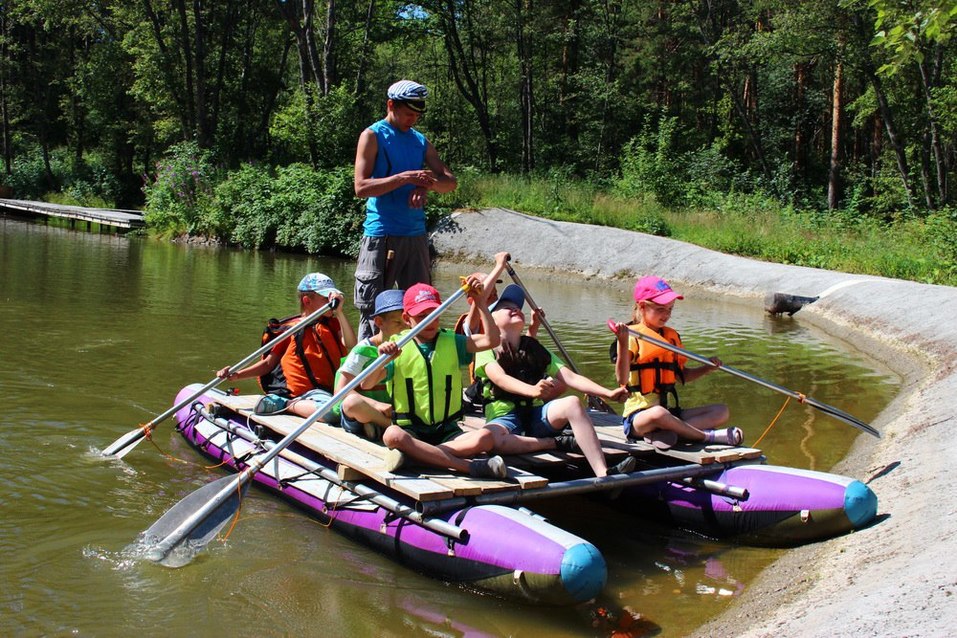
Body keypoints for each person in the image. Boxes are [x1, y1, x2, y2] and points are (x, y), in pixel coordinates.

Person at [476, 284, 636, 477]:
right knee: (492, 440)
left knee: (572, 403)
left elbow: (569, 377)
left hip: (535, 415)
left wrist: (608, 393)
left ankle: (603, 473)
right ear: (491, 320)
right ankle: (556, 442)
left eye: (517, 306)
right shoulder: (485, 349)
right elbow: (500, 379)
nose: (515, 308)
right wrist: (533, 390)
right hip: (505, 418)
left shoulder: (534, 348)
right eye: (506, 306)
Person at [365, 278, 507, 479]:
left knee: (485, 437)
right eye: (422, 316)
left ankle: (418, 456)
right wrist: (381, 359)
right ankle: (468, 467)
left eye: (434, 315)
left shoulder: (453, 342)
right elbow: (367, 383)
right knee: (392, 435)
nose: (430, 321)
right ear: (407, 318)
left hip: (447, 431)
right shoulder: (396, 346)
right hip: (411, 430)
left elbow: (492, 340)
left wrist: (481, 302)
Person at [353, 79, 457, 341]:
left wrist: (427, 185)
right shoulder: (372, 135)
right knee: (375, 309)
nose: (414, 119)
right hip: (382, 235)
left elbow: (450, 183)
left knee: (421, 307)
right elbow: (361, 187)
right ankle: (367, 374)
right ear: (391, 105)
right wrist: (406, 178)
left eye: (418, 115)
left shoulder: (419, 141)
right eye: (409, 113)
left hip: (415, 236)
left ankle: (417, 367)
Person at [610, 276, 740, 449]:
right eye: (660, 309)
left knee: (721, 411)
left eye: (670, 309)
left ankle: (670, 433)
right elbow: (622, 378)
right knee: (658, 414)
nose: (667, 314)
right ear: (642, 306)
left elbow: (682, 375)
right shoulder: (630, 336)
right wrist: (623, 341)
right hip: (639, 417)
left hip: (668, 412)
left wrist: (706, 368)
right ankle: (705, 436)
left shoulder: (670, 338)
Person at [217, 273, 357, 419]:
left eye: (332, 298)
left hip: (331, 390)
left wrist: (339, 313)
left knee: (353, 406)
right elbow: (267, 364)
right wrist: (237, 374)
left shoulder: (334, 324)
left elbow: (351, 344)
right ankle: (286, 404)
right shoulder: (291, 329)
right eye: (325, 299)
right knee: (331, 412)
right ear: (307, 301)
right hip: (305, 392)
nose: (331, 302)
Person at [333, 289, 407, 441]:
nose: (404, 328)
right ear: (379, 322)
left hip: (392, 410)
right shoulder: (363, 350)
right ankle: (388, 426)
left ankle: (380, 427)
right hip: (362, 412)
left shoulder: (408, 346)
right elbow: (340, 391)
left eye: (408, 322)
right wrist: (376, 405)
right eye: (398, 322)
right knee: (351, 403)